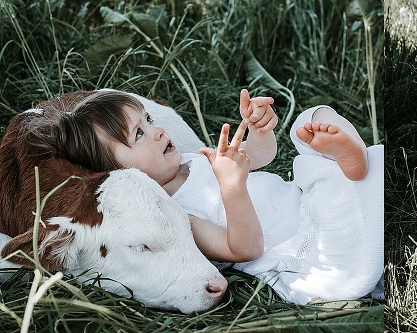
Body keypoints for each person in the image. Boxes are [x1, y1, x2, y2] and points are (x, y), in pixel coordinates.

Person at [23, 89, 384, 304]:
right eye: (139, 134)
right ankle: (349, 167)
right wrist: (232, 187)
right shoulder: (174, 215)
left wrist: (259, 131)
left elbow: (259, 157)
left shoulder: (194, 160)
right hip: (304, 247)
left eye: (149, 120)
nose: (158, 131)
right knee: (359, 209)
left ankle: (346, 157)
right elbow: (245, 249)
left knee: (305, 121)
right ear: (118, 172)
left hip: (304, 201)